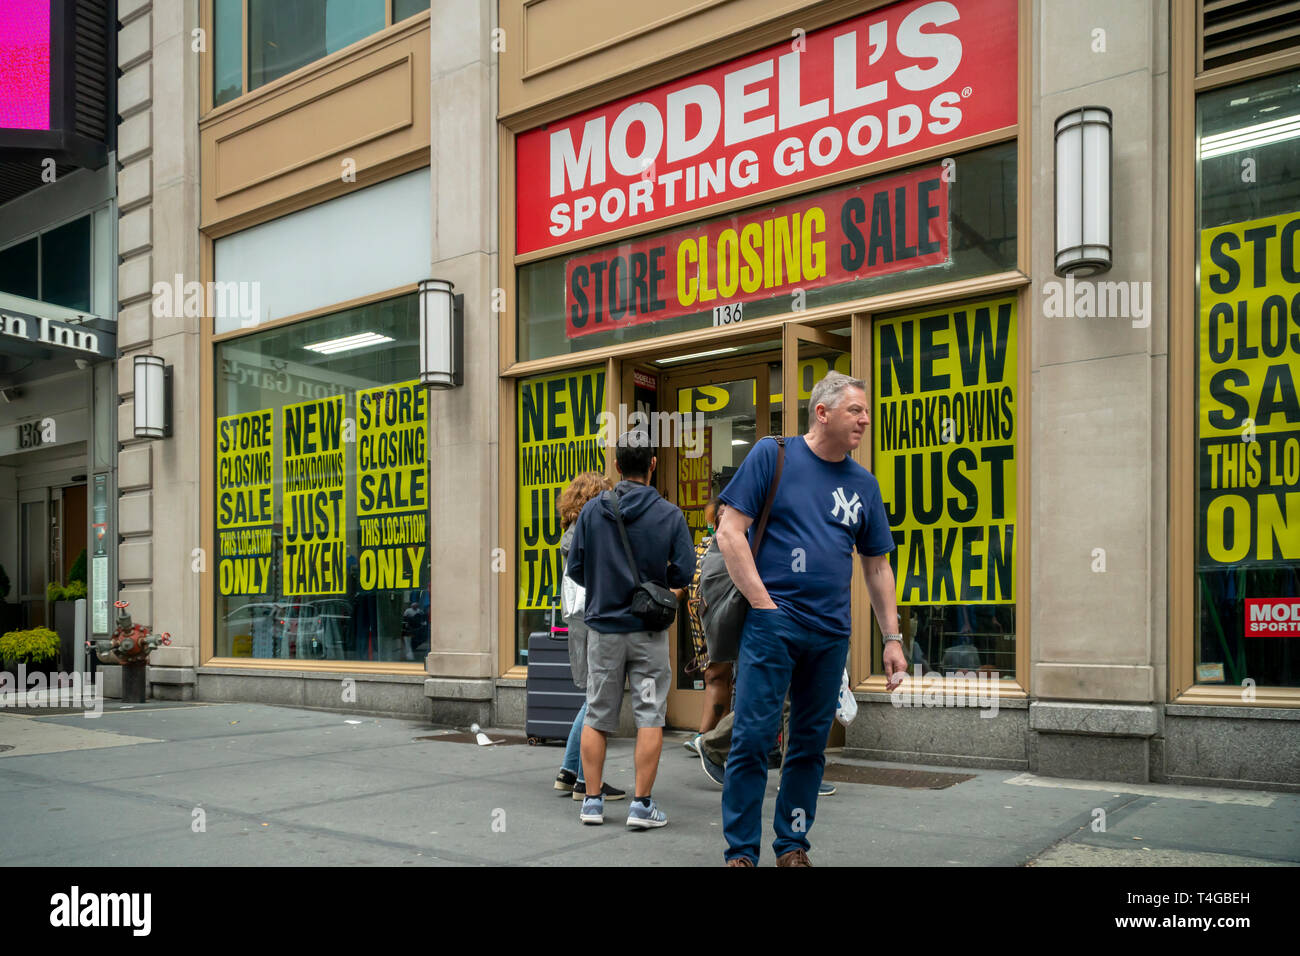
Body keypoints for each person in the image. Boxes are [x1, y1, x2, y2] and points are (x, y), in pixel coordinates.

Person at [714, 372, 906, 866]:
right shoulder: (772, 455)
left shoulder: (864, 484)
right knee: (753, 740)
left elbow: (877, 564)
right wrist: (763, 604)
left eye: (865, 411)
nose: (865, 419)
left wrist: (892, 638)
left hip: (830, 635)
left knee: (808, 748)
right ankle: (740, 852)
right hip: (773, 628)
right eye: (855, 410)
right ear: (822, 413)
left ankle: (792, 846)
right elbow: (729, 533)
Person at [566, 431, 696, 829]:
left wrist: (607, 585)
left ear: (617, 466)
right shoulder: (670, 515)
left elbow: (575, 568)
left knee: (597, 715)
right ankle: (641, 806)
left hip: (604, 631)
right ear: (652, 465)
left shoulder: (591, 512)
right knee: (650, 716)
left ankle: (591, 802)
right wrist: (660, 586)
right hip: (648, 634)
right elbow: (684, 572)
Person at [552, 471, 625, 803]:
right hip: (595, 614)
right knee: (598, 699)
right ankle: (585, 780)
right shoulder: (591, 531)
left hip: (578, 616)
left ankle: (568, 772)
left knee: (591, 697)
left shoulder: (571, 531)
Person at [683, 498, 733, 755]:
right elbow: (683, 584)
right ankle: (713, 737)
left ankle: (707, 736)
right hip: (705, 626)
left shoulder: (737, 546)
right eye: (717, 518)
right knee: (715, 676)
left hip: (725, 622)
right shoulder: (702, 549)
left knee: (718, 676)